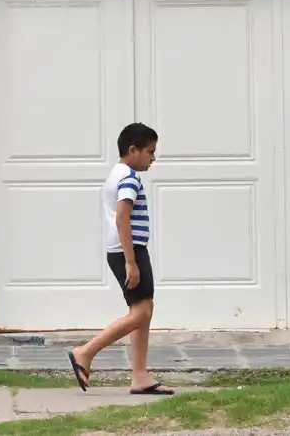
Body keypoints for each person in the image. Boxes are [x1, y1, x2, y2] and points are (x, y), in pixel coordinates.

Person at [68, 122, 174, 395]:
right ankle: (85, 353)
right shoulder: (129, 178)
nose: (153, 158)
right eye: (150, 152)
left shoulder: (116, 173)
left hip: (123, 250)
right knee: (141, 312)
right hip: (129, 251)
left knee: (143, 310)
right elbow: (122, 218)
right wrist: (131, 261)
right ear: (133, 150)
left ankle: (140, 375)